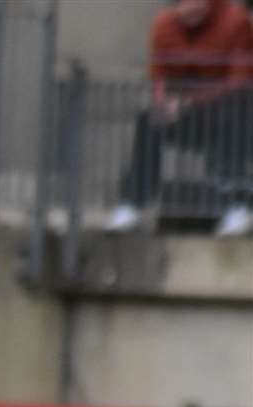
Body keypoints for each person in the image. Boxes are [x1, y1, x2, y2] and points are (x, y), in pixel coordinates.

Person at [108, 0, 253, 237]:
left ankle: (238, 204)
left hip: (231, 110)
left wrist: (190, 102)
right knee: (148, 120)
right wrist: (162, 103)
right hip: (187, 111)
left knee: (234, 116)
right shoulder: (164, 24)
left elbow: (239, 82)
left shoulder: (236, 20)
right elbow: (159, 76)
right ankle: (133, 202)